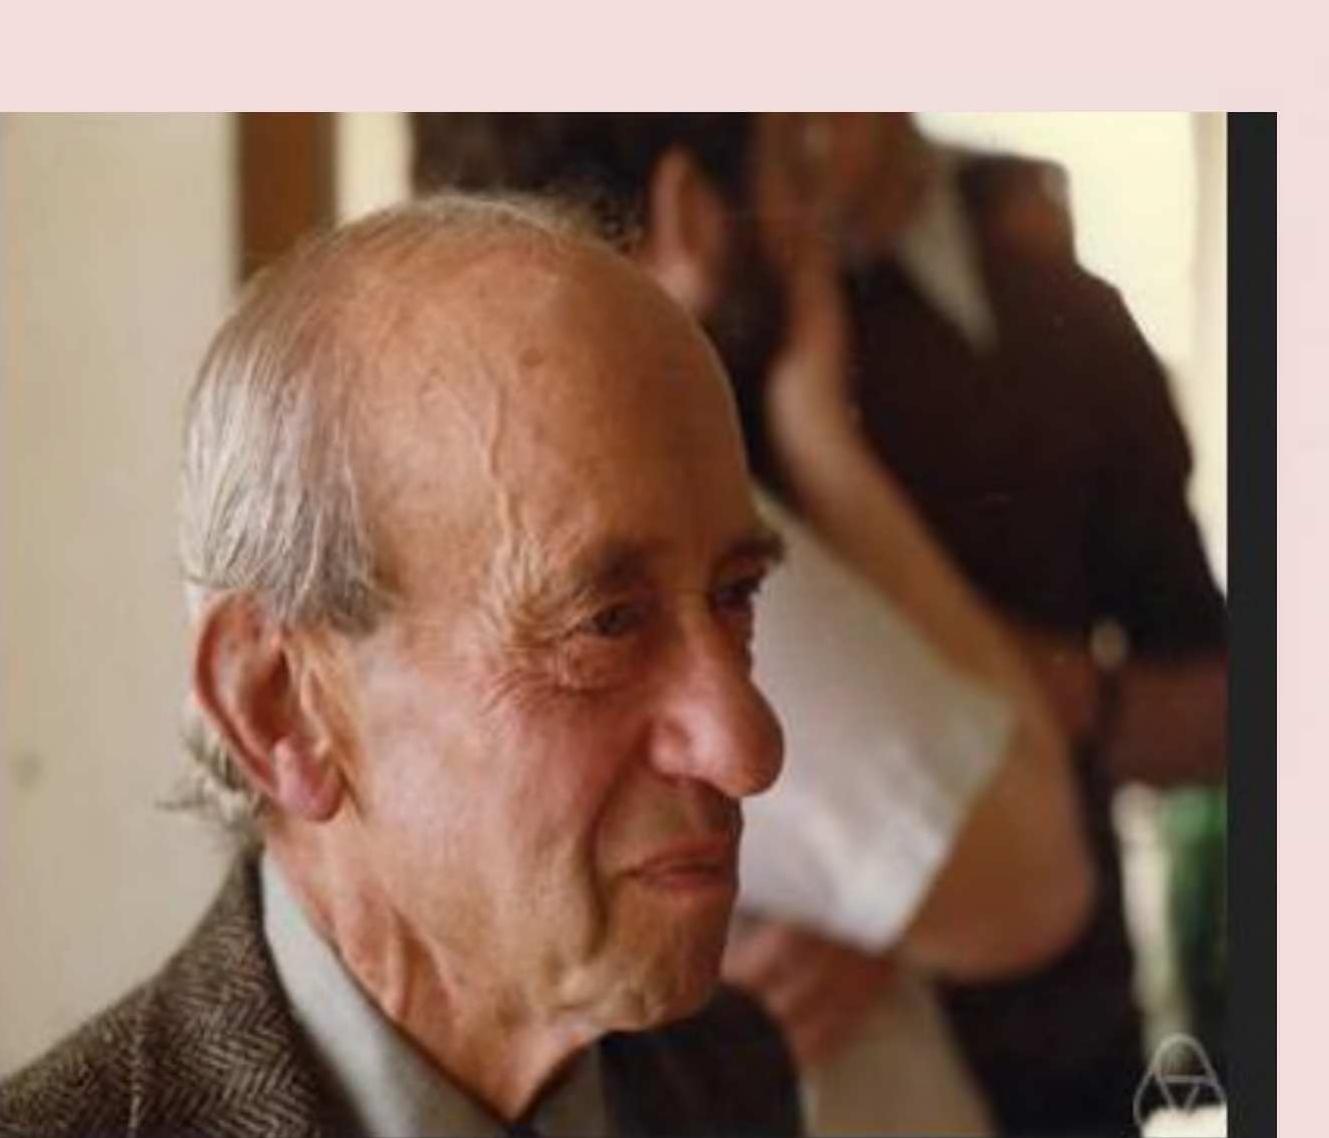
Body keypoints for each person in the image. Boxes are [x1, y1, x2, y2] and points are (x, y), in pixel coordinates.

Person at [412, 112, 1228, 1136]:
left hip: (1059, 1048)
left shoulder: (1055, 315)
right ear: (690, 207)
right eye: (781, 141)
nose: (804, 153)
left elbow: (1222, 715)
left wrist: (901, 856)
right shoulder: (680, 411)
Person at [0, 195, 805, 1137]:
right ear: (282, 708)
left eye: (735, 595)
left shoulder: (728, 1075)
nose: (748, 749)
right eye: (606, 623)